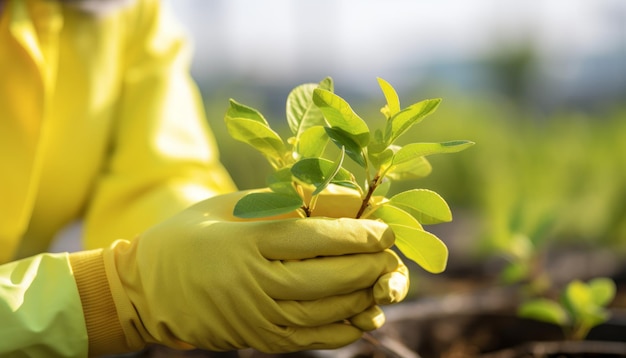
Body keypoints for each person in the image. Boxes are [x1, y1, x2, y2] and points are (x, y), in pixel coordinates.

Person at [0, 0, 410, 356]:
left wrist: (230, 240)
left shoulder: (119, 11)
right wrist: (110, 295)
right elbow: (132, 285)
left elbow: (159, 175)